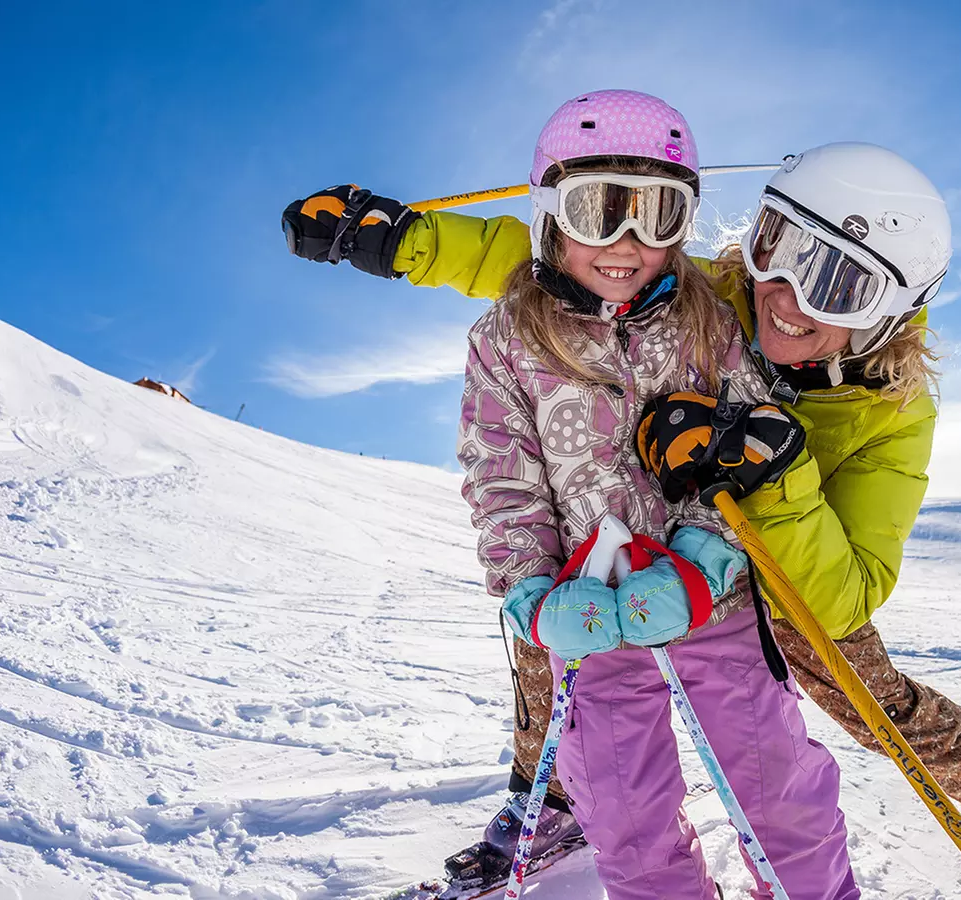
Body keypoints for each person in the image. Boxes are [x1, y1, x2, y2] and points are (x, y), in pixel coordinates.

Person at [284, 128, 961, 889]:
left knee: (862, 690)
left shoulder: (892, 412)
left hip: (790, 568)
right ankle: (556, 799)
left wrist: (775, 476)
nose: (789, 297)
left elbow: (849, 596)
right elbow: (558, 262)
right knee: (552, 633)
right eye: (783, 249)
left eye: (839, 285)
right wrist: (404, 241)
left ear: (892, 312)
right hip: (663, 533)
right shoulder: (708, 294)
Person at [284, 90, 858, 900]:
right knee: (625, 815)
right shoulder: (506, 339)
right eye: (598, 210)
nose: (626, 243)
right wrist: (528, 588)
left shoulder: (709, 322)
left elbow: (743, 446)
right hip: (583, 610)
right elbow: (502, 477)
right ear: (551, 215)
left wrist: (699, 559)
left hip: (714, 605)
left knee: (777, 792)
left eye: (658, 216)